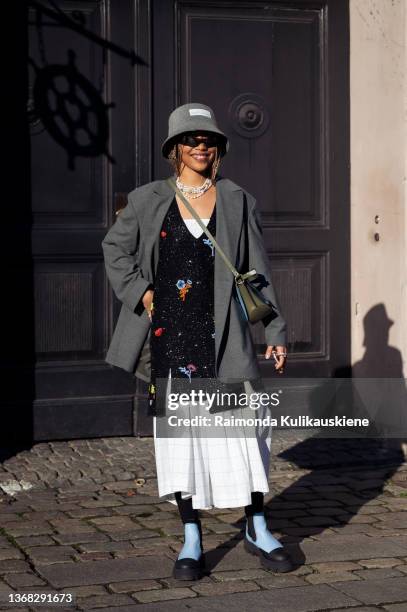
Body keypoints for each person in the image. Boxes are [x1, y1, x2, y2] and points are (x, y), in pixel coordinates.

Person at [102, 102, 292, 580]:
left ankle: (257, 526)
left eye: (208, 140)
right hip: (171, 342)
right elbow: (114, 249)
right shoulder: (147, 200)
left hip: (224, 339)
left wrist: (275, 330)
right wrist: (141, 292)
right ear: (175, 149)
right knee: (183, 441)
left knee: (243, 437)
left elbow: (257, 271)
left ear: (218, 148)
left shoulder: (237, 199)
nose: (200, 146)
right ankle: (191, 536)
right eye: (191, 139)